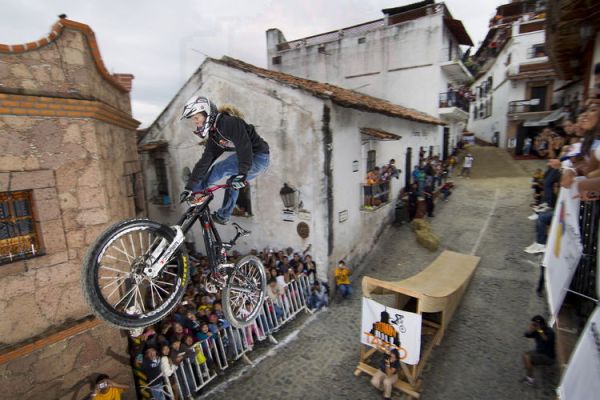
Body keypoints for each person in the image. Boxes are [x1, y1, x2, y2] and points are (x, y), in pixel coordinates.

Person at [179, 96, 270, 225]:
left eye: (196, 117)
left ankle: (198, 191)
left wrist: (242, 173)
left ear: (206, 113)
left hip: (258, 157)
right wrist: (189, 187)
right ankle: (224, 216)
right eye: (193, 119)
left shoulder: (229, 123)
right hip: (254, 161)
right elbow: (205, 161)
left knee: (221, 168)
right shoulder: (215, 136)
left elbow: (244, 146)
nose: (195, 122)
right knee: (232, 182)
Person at [522, 315, 555, 386]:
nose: (535, 326)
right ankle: (531, 366)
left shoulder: (550, 332)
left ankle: (530, 379)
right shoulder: (537, 331)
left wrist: (539, 330)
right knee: (525, 355)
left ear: (542, 325)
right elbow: (526, 335)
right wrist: (530, 329)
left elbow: (546, 340)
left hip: (548, 356)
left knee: (527, 357)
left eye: (536, 324)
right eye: (533, 324)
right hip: (539, 353)